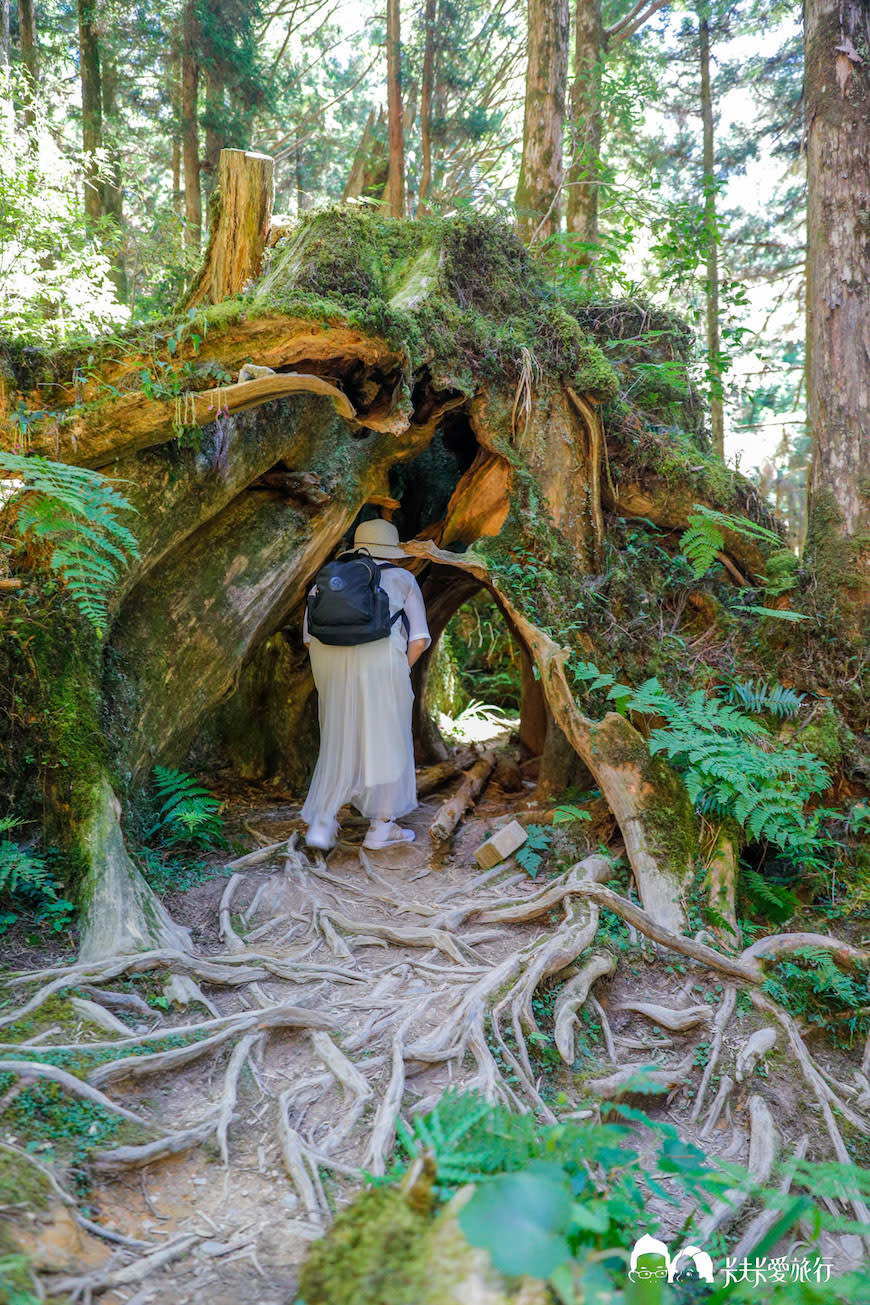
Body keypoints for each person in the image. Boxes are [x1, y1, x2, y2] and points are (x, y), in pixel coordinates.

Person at [301, 518, 431, 851]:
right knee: (386, 740)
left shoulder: (328, 580)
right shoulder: (402, 578)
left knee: (338, 738)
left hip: (330, 664)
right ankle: (381, 828)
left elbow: (308, 638)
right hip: (382, 663)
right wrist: (397, 672)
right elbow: (418, 639)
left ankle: (322, 823)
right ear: (390, 550)